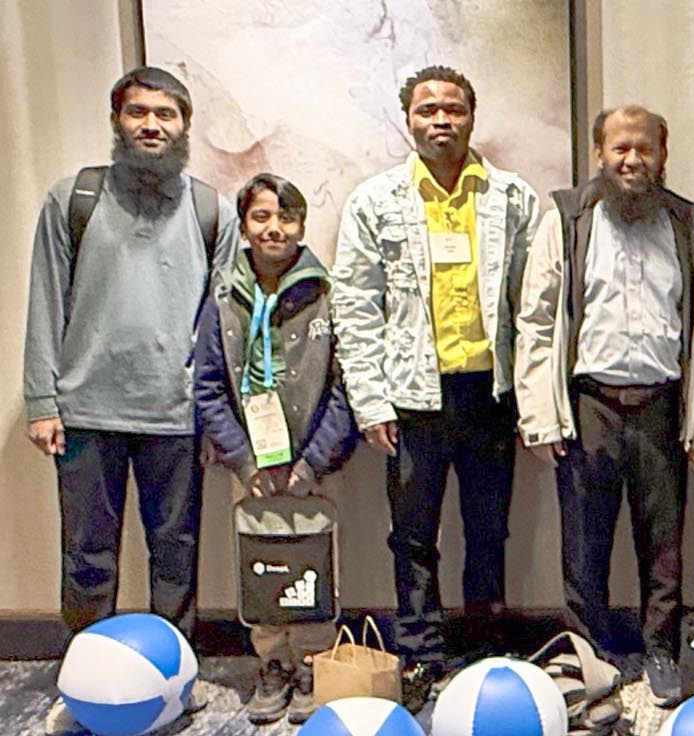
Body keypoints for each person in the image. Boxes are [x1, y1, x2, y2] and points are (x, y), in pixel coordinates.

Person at [23, 66, 240, 733]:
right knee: (87, 552)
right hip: (85, 409)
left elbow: (222, 324)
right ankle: (84, 674)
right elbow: (44, 301)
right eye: (138, 113)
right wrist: (41, 399)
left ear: (184, 127)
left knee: (175, 551)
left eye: (166, 115)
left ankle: (176, 676)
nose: (152, 125)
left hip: (176, 414)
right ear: (117, 120)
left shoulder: (212, 211)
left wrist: (216, 416)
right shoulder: (74, 199)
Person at [329, 65, 541, 710]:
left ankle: (485, 650)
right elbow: (356, 307)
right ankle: (420, 653)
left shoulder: (511, 197)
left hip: (489, 394)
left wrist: (533, 399)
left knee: (488, 529)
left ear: (472, 117)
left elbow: (535, 304)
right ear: (408, 120)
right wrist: (369, 401)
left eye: (453, 108)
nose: (441, 120)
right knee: (413, 537)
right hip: (411, 398)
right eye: (428, 111)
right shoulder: (377, 200)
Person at [516, 105, 694, 704]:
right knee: (584, 542)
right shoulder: (566, 217)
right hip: (590, 405)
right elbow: (535, 320)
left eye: (645, 149)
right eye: (620, 149)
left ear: (664, 155)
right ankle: (586, 654)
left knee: (663, 542)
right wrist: (539, 412)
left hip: (663, 405)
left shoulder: (689, 224)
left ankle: (660, 648)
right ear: (599, 155)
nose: (632, 160)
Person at [194, 173, 359, 725]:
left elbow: (346, 385)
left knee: (310, 559)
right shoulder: (222, 298)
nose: (274, 228)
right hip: (251, 467)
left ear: (302, 226)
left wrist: (314, 460)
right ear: (244, 225)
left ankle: (313, 659)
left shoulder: (328, 293)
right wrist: (243, 459)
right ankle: (272, 664)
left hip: (314, 463)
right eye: (262, 217)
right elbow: (209, 386)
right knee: (260, 562)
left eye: (286, 217)